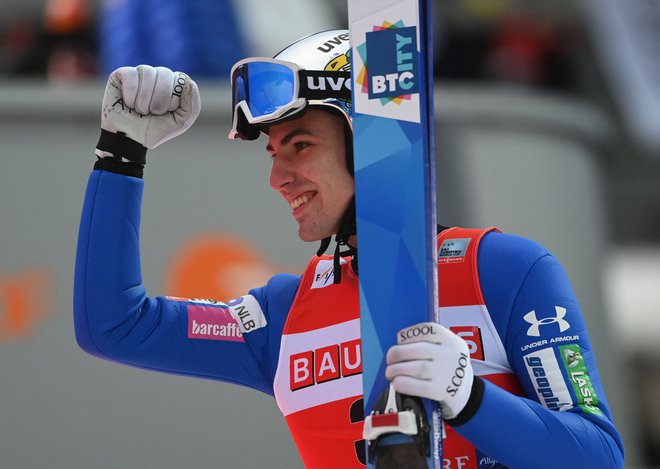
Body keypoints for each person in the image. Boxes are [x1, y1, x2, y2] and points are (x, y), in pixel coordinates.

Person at [74, 29, 624, 468]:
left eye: (301, 145)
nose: (278, 178)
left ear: (372, 139)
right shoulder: (281, 321)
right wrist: (121, 152)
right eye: (272, 154)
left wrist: (471, 398)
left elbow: (599, 456)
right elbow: (114, 325)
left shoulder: (502, 270)